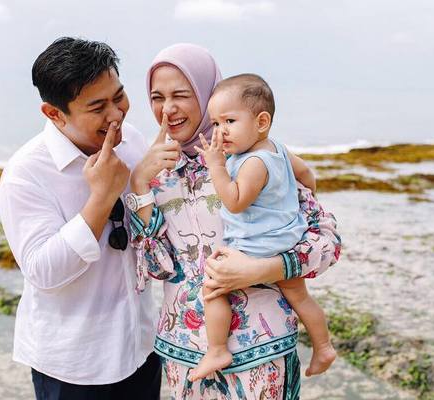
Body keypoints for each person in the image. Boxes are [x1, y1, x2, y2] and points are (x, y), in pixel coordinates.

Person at [128, 43, 342, 399]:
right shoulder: (155, 174)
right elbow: (158, 267)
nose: (168, 109)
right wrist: (139, 184)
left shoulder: (251, 159)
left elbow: (327, 243)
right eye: (157, 97)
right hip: (184, 354)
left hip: (262, 350)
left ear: (208, 94)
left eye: (181, 95)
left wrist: (262, 270)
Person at [0, 37, 160, 400]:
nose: (116, 115)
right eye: (97, 107)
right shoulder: (26, 173)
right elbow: (42, 272)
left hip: (140, 345)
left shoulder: (131, 140)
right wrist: (101, 199)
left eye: (119, 96)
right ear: (54, 113)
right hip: (72, 364)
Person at [189, 73, 337, 381]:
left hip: (256, 246)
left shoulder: (253, 163)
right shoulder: (277, 149)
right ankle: (323, 347)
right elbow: (306, 174)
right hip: (286, 240)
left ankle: (217, 349)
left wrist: (216, 167)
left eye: (230, 121)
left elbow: (235, 201)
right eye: (216, 123)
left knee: (212, 287)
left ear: (261, 122)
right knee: (300, 297)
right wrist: (297, 203)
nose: (220, 132)